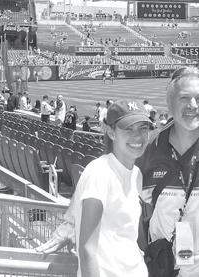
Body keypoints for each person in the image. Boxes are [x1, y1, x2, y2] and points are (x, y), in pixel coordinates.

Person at [38, 67, 199, 277]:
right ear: (170, 104)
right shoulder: (148, 146)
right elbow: (100, 173)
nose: (193, 105)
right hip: (171, 266)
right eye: (184, 98)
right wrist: (71, 221)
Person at [71, 99, 151, 277]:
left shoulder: (136, 174)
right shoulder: (99, 172)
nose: (137, 136)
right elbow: (87, 249)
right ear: (111, 133)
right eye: (128, 129)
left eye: (143, 128)